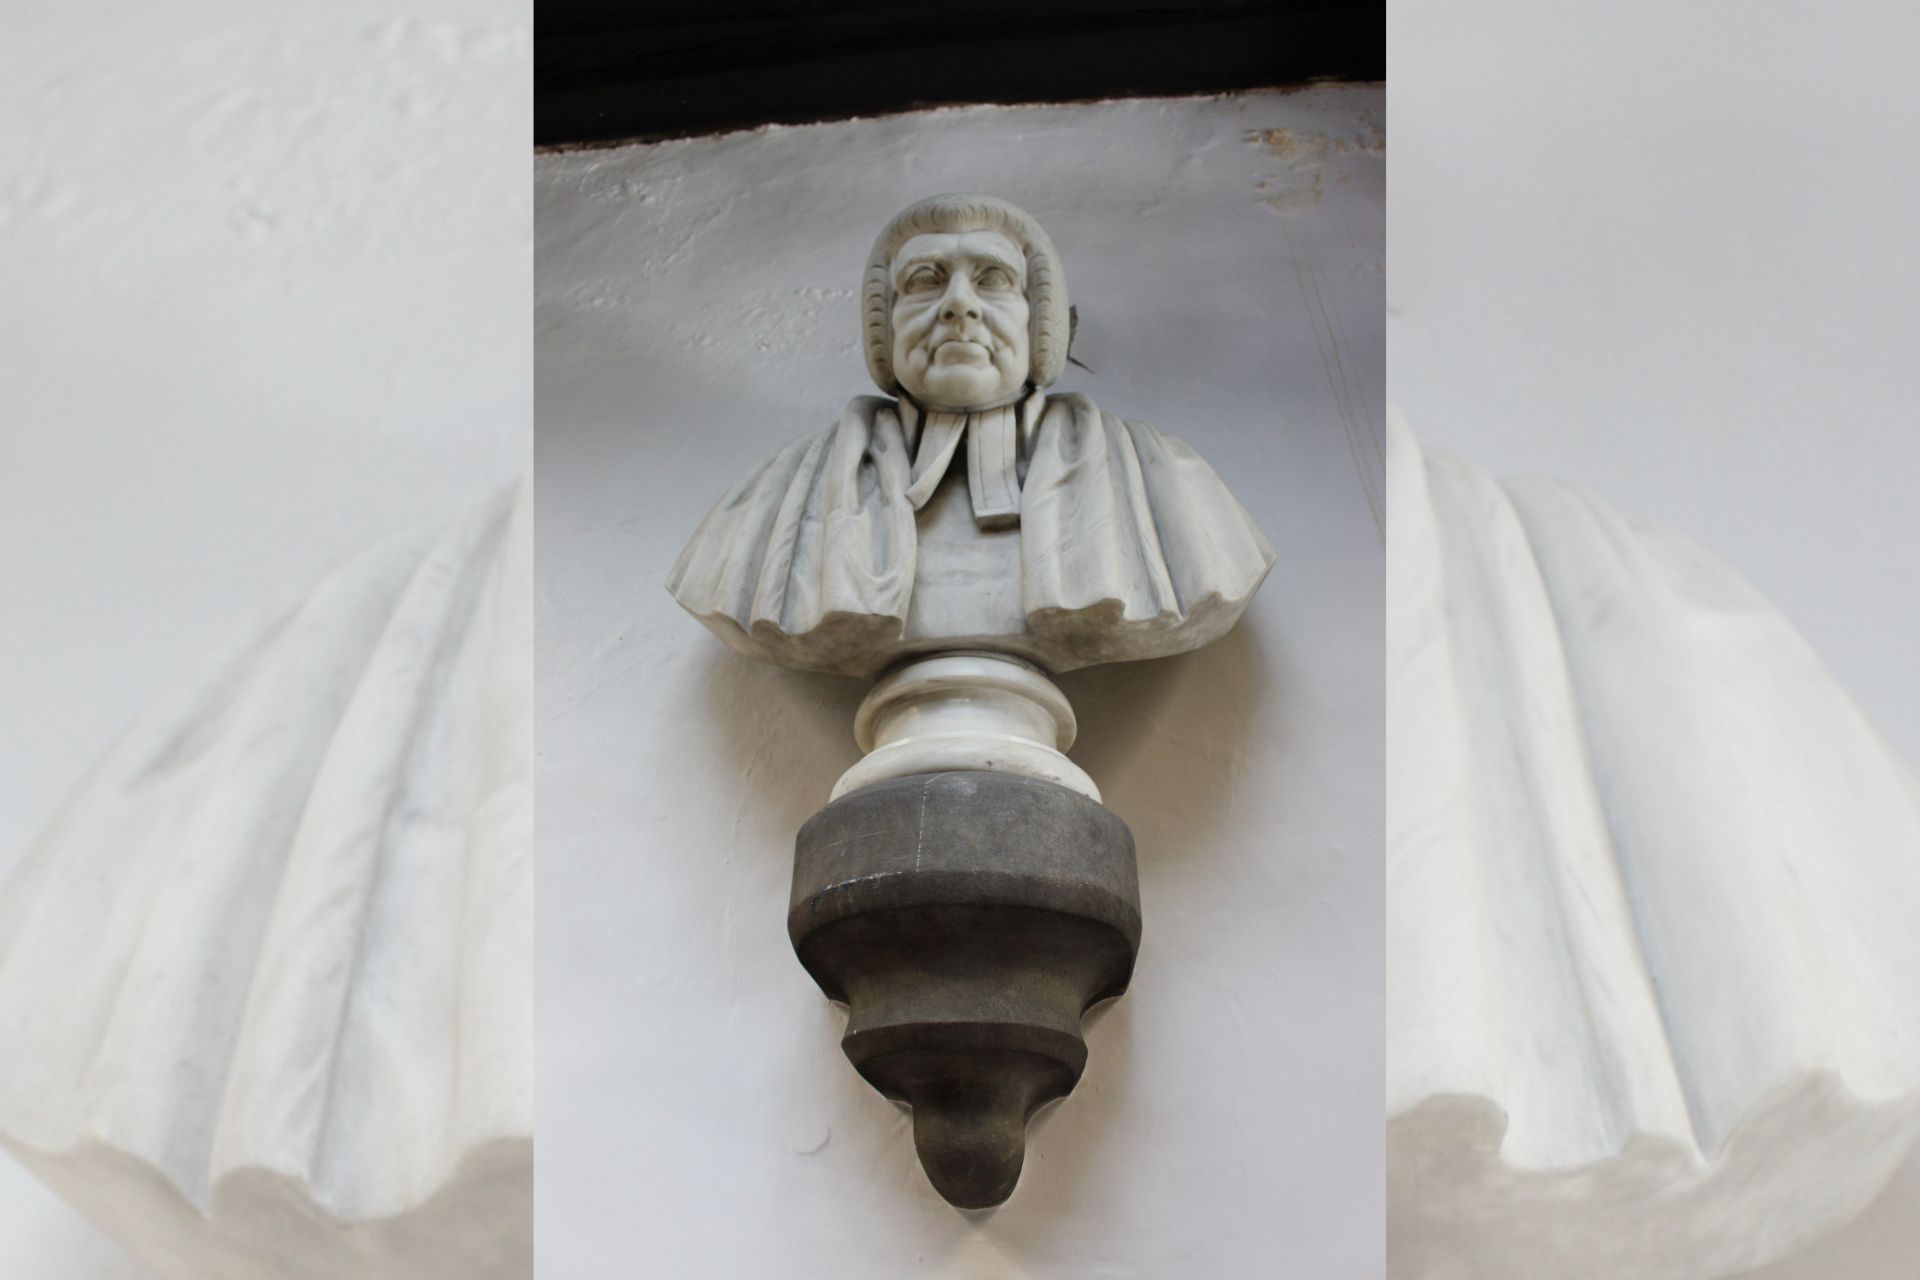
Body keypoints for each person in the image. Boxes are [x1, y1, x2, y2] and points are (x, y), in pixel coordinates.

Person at [669, 193, 1274, 679]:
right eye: (926, 280)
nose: (959, 305)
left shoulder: (1163, 476)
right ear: (885, 330)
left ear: (1041, 326)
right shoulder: (777, 496)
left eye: (992, 279)